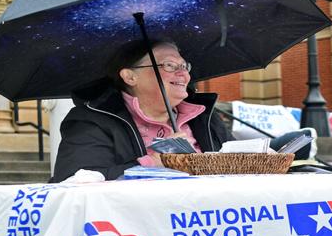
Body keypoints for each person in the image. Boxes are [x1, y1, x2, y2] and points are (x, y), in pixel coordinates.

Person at [51, 40, 230, 183]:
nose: (183, 74)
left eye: (184, 66)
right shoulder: (91, 121)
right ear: (130, 77)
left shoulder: (204, 116)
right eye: (169, 65)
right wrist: (152, 164)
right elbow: (73, 182)